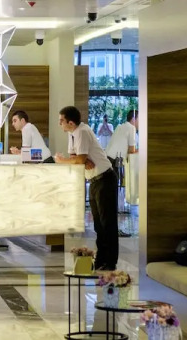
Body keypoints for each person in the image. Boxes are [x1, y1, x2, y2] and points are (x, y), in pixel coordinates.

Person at [55, 106, 118, 271]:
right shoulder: (72, 133)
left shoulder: (82, 131)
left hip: (104, 179)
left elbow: (79, 159)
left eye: (61, 121)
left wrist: (63, 161)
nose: (59, 124)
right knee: (98, 225)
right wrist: (79, 160)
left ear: (70, 122)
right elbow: (76, 158)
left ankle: (110, 261)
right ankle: (101, 260)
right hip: (94, 180)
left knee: (107, 223)